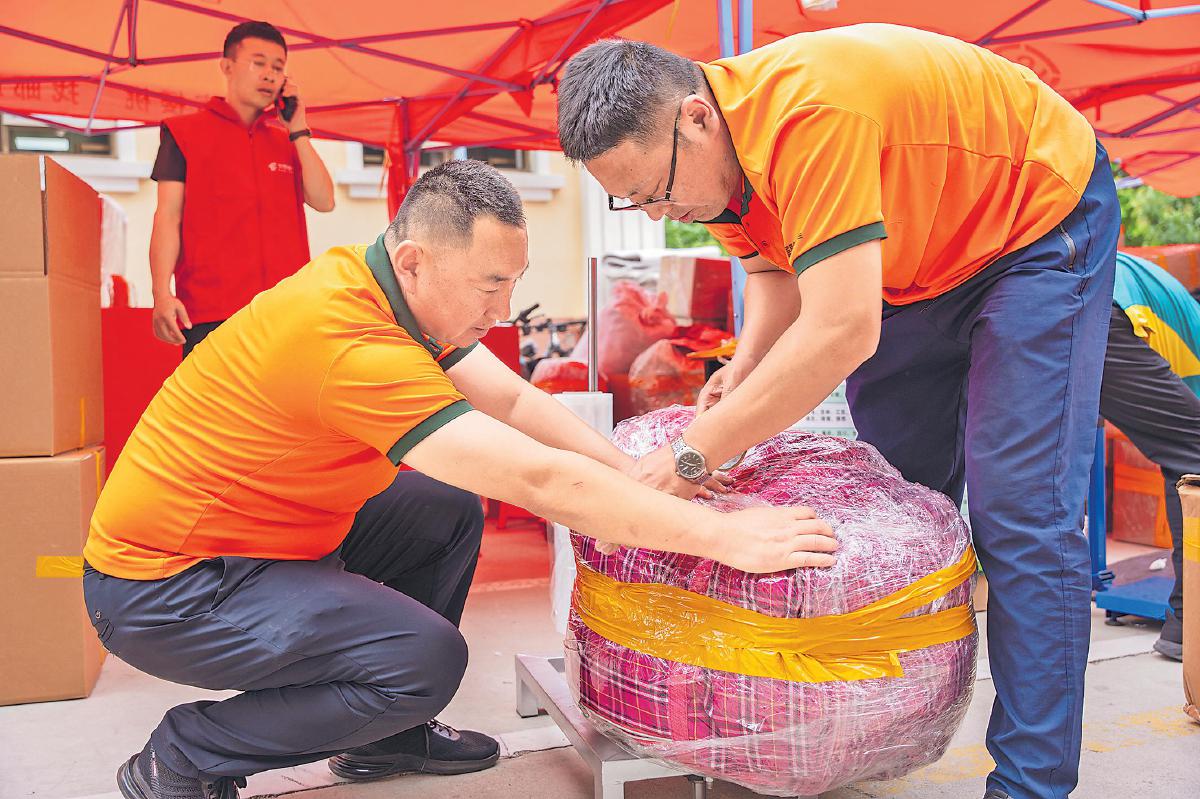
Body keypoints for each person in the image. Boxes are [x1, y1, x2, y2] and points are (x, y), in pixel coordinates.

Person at [84, 159, 838, 799]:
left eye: (513, 282)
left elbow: (515, 400)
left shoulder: (384, 286)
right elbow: (537, 479)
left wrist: (637, 476)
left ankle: (385, 737)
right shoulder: (347, 341)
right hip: (167, 588)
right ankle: (184, 754)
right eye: (489, 285)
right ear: (416, 261)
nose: (503, 310)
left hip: (260, 536)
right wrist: (726, 537)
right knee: (424, 660)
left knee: (440, 509)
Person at [556, 24, 1120, 799]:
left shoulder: (811, 117)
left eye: (657, 191)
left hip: (1032, 226)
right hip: (915, 262)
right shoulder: (710, 160)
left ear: (696, 116)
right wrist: (745, 367)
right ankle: (880, 734)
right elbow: (773, 272)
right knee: (892, 507)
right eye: (633, 201)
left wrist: (693, 453)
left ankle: (1030, 783)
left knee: (1020, 511)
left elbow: (842, 331)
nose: (658, 215)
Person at [149, 20, 335, 358]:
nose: (269, 75)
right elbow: (168, 217)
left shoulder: (287, 141)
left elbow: (324, 201)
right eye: (258, 63)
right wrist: (161, 293)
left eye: (278, 67)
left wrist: (298, 128)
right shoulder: (183, 133)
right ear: (227, 67)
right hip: (211, 315)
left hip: (287, 314)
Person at [1101, 251, 1200, 661]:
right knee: (1195, 457)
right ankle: (1190, 625)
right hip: (1098, 301)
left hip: (1046, 287)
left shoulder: (1181, 319)